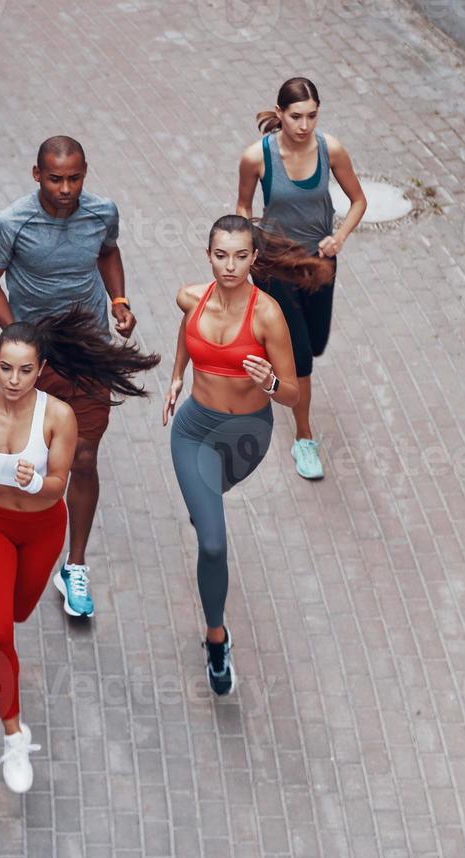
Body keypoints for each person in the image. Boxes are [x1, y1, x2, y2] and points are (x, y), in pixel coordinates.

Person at [0, 311, 158, 793]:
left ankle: (54, 583)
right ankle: (14, 735)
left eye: (24, 370)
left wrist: (37, 479)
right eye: (5, 367)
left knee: (20, 611)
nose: (14, 379)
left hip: (42, 528)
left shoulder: (57, 416)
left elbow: (61, 484)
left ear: (40, 370)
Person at [164, 216, 332, 695]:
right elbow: (186, 332)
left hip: (246, 436)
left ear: (254, 258)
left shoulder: (267, 316)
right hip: (194, 430)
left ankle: (205, 508)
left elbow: (294, 395)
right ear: (208, 254)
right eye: (221, 255)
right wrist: (177, 376)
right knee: (213, 542)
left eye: (240, 255)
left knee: (209, 504)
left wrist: (271, 383)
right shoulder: (191, 297)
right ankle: (217, 638)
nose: (230, 265)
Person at [0, 137, 135, 619]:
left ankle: (76, 565)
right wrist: (16, 336)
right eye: (54, 179)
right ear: (35, 174)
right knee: (38, 464)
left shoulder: (101, 211)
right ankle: (21, 539)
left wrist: (119, 302)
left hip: (88, 354)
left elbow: (108, 252)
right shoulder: (10, 223)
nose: (65, 189)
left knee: (84, 457)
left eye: (74, 178)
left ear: (85, 173)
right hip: (36, 363)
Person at [235, 76, 366, 481]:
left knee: (317, 341)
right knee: (302, 358)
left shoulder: (331, 150)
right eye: (296, 116)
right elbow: (243, 203)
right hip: (274, 266)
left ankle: (270, 346)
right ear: (280, 114)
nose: (304, 125)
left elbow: (359, 200)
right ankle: (304, 439)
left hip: (319, 262)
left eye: (312, 116)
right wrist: (244, 246)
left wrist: (339, 236)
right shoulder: (257, 157)